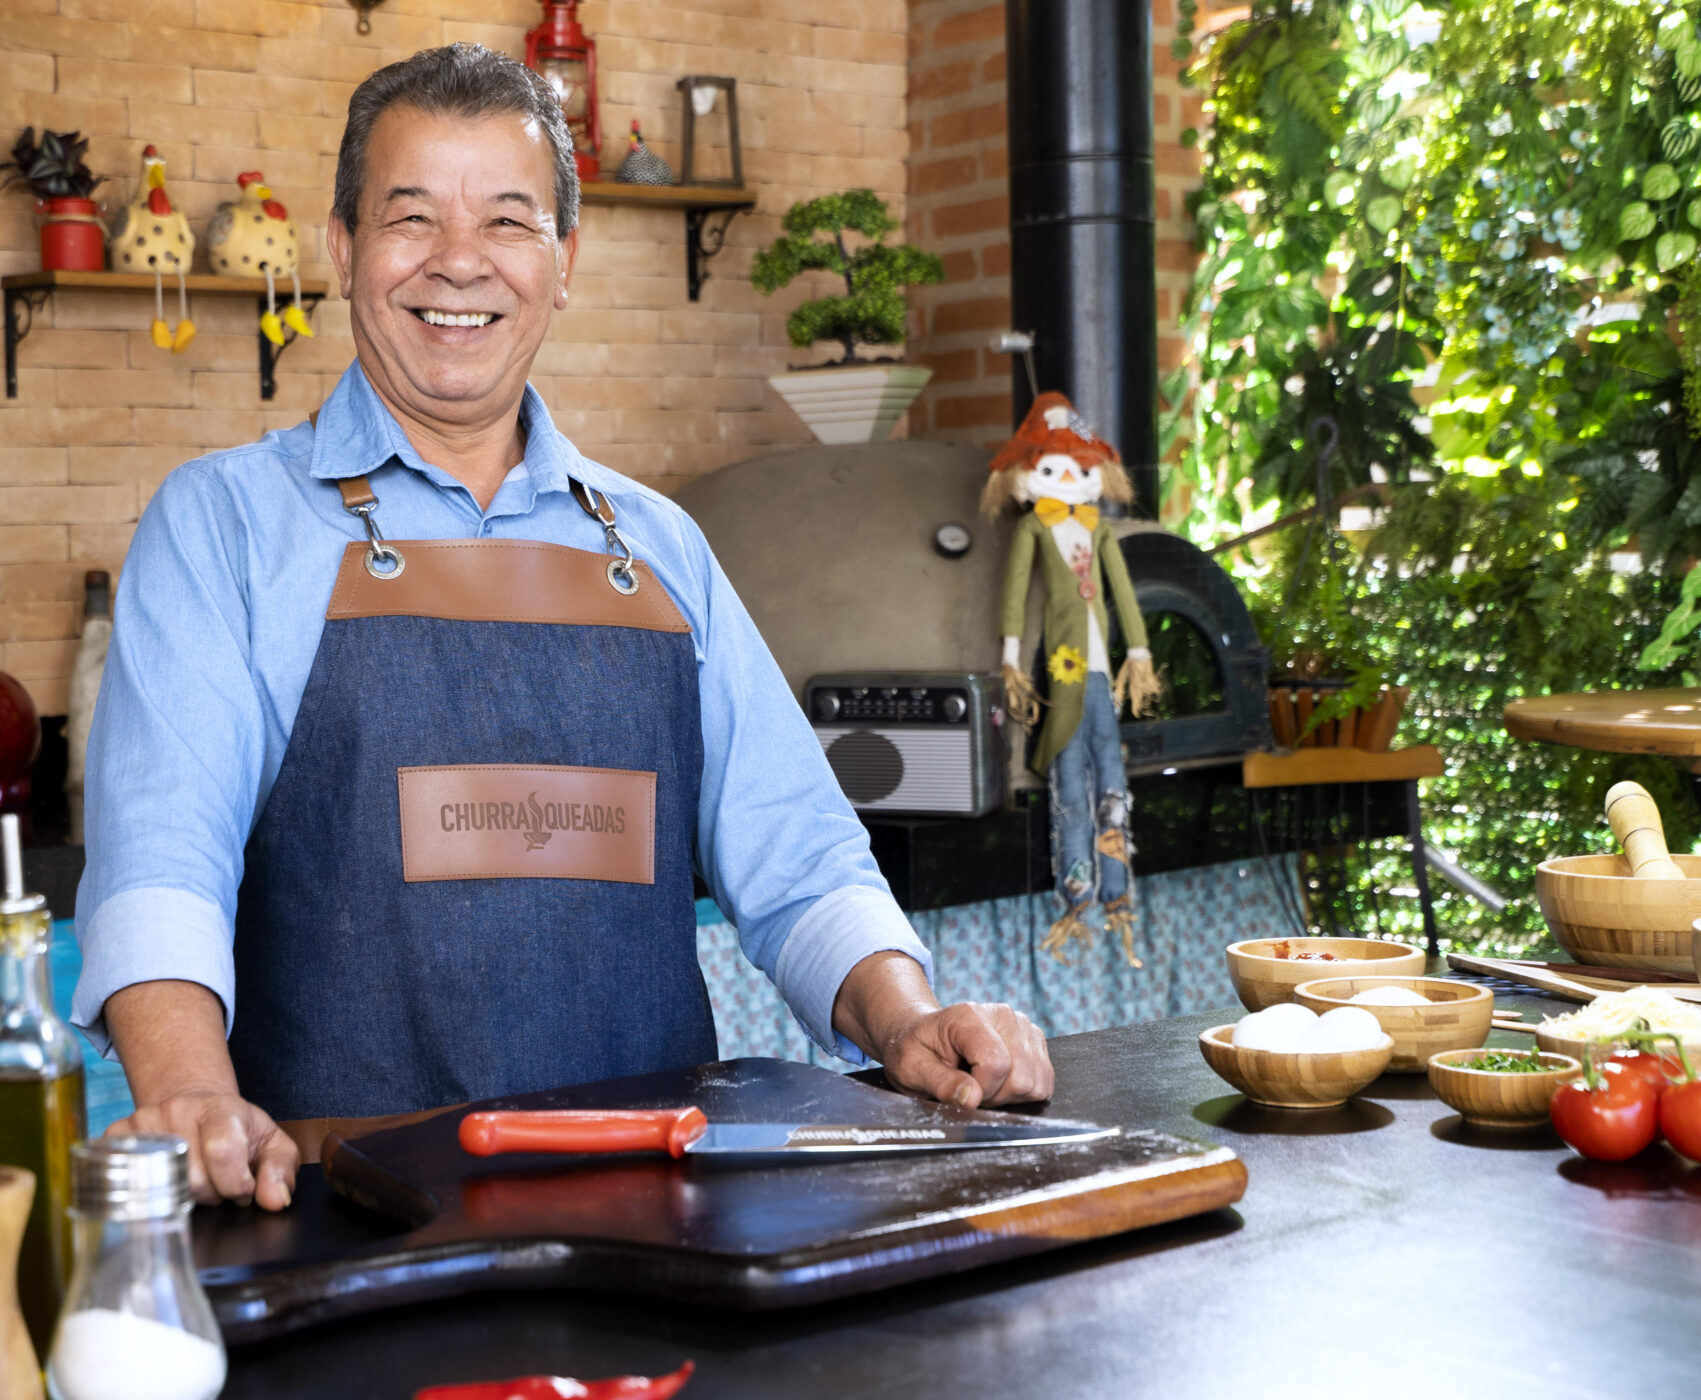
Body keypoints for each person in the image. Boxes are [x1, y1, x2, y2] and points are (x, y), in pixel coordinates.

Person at [73, 43, 1052, 1209]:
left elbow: (797, 851)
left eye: (507, 221)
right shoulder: (222, 525)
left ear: (562, 261)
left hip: (660, 1210)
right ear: (341, 250)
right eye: (410, 218)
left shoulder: (660, 545)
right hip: (350, 1209)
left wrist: (904, 1017)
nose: (458, 263)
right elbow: (161, 856)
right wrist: (187, 1087)